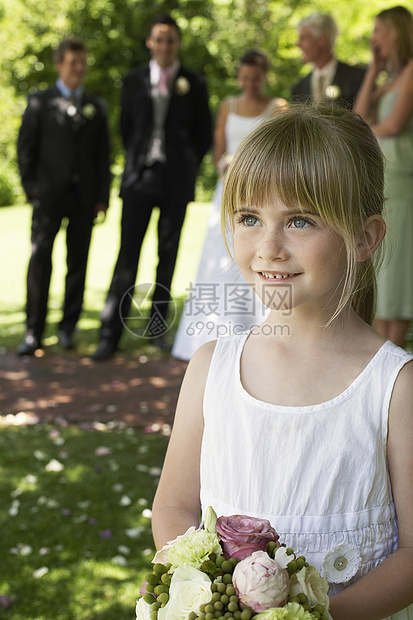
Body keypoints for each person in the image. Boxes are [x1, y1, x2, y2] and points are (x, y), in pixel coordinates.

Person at [152, 105, 413, 619]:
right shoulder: (211, 368)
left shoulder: (395, 388)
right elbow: (174, 505)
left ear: (364, 237)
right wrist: (199, 593)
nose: (268, 247)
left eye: (299, 220)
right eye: (249, 218)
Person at [91, 13, 212, 361]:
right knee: (127, 256)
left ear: (178, 43)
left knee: (167, 255)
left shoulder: (194, 83)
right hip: (139, 180)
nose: (165, 46)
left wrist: (185, 162)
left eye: (171, 40)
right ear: (150, 42)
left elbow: (202, 134)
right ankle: (109, 334)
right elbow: (126, 128)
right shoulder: (132, 81)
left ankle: (156, 330)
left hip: (175, 181)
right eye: (159, 39)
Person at [172, 50, 287, 361]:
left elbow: (279, 153)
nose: (250, 84)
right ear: (239, 76)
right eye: (245, 78)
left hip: (263, 193)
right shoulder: (228, 106)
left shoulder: (277, 107)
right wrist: (226, 164)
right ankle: (212, 331)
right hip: (228, 192)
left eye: (256, 78)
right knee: (220, 258)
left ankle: (259, 328)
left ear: (265, 76)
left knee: (258, 256)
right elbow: (219, 151)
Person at [17, 37, 111, 356]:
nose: (80, 68)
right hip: (48, 198)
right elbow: (25, 152)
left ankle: (67, 328)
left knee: (78, 263)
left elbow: (103, 157)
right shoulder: (38, 103)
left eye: (83, 62)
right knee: (40, 260)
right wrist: (34, 193)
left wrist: (102, 197)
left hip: (84, 199)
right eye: (74, 62)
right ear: (60, 64)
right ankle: (34, 331)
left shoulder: (96, 107)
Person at [354, 5, 413, 348]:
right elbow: (360, 116)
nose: (374, 39)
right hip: (383, 184)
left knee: (397, 276)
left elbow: (392, 125)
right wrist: (373, 70)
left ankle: (394, 357)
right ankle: (381, 354)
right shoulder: (389, 79)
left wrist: (357, 137)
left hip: (404, 186)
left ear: (395, 32)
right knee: (381, 274)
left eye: (379, 31)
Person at [292, 12, 365, 108]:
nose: (298, 44)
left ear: (322, 39)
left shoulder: (358, 78)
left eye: (303, 38)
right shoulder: (298, 89)